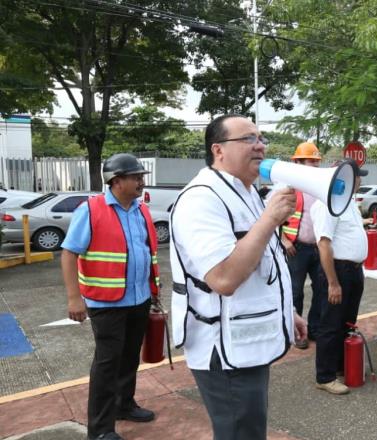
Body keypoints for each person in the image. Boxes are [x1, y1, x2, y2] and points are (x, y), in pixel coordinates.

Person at [170, 114, 306, 439]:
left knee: (250, 428)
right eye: (248, 139)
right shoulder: (201, 199)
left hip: (247, 342)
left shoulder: (244, 192)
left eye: (261, 138)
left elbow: (263, 265)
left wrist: (287, 312)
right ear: (218, 150)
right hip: (225, 351)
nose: (260, 146)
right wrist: (270, 219)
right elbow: (224, 278)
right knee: (240, 432)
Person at [61, 153, 160, 440]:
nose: (142, 182)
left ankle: (124, 405)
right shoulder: (91, 210)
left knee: (129, 358)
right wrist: (73, 298)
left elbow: (145, 252)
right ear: (116, 181)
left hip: (139, 299)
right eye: (136, 177)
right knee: (107, 365)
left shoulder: (140, 210)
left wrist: (153, 289)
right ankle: (101, 430)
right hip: (107, 303)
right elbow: (69, 254)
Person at [311, 159, 370, 395]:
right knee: (330, 325)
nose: (361, 180)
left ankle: (340, 367)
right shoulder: (327, 204)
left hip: (354, 271)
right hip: (337, 272)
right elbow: (324, 244)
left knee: (347, 322)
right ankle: (324, 376)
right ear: (344, 177)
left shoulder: (348, 203)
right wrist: (333, 283)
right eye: (357, 176)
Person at [280, 142, 326, 350]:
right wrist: (284, 240)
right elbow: (270, 217)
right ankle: (296, 332)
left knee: (321, 290)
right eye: (311, 161)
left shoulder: (321, 187)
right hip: (295, 248)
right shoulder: (288, 187)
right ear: (297, 162)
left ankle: (314, 329)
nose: (315, 166)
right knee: (295, 291)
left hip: (318, 247)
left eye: (317, 162)